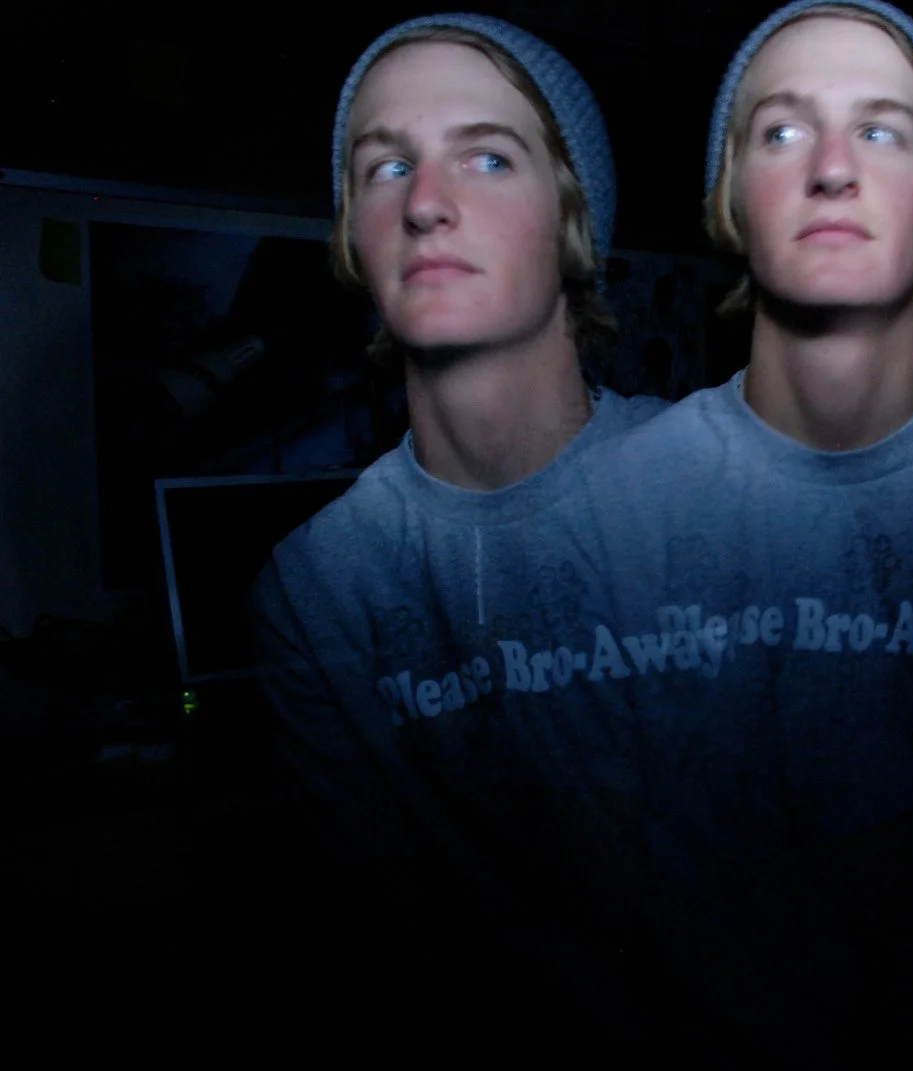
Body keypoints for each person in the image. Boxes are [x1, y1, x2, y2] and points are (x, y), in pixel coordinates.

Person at [554, 0, 913, 1062]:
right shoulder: (601, 509)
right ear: (731, 196)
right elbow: (581, 897)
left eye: (881, 129)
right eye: (782, 130)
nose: (832, 167)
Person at [245, 12, 667, 1023]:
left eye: (486, 157)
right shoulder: (317, 588)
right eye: (385, 168)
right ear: (353, 239)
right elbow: (398, 933)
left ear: (573, 222)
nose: (426, 203)